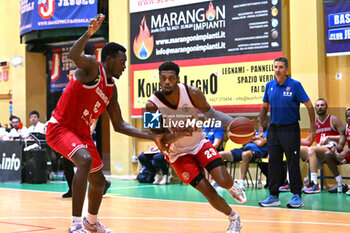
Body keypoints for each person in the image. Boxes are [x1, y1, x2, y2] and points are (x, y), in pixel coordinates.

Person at [46, 14, 165, 233]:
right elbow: (73, 54)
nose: (124, 66)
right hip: (60, 128)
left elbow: (119, 125)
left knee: (99, 181)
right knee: (84, 160)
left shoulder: (112, 89)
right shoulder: (92, 66)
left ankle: (91, 222)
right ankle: (75, 225)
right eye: (122, 62)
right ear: (109, 60)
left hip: (81, 135)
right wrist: (89, 33)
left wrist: (152, 136)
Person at [146, 61, 246, 233]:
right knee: (208, 191)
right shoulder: (151, 105)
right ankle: (234, 218)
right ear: (159, 80)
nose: (167, 82)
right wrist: (180, 133)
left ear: (177, 79)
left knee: (223, 180)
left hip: (199, 143)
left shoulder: (192, 93)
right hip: (177, 154)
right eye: (163, 79)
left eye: (171, 78)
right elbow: (158, 138)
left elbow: (212, 114)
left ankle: (231, 185)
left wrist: (232, 123)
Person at [258, 57, 315, 208]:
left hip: (290, 129)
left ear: (286, 69)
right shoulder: (270, 85)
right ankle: (273, 196)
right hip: (273, 130)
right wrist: (260, 127)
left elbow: (309, 106)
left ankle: (297, 195)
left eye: (281, 67)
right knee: (274, 163)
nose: (277, 70)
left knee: (292, 163)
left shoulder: (295, 85)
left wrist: (312, 127)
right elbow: (264, 107)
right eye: (275, 67)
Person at [299, 99, 345, 194]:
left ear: (326, 107)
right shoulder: (315, 122)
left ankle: (314, 184)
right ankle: (290, 181)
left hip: (332, 149)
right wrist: (293, 140)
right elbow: (309, 140)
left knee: (312, 149)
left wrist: (329, 137)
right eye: (318, 105)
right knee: (296, 149)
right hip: (319, 150)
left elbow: (343, 135)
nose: (320, 107)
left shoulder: (333, 119)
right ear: (315, 108)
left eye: (322, 105)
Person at [219, 118, 268, 191]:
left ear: (267, 121)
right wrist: (255, 138)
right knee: (220, 154)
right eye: (258, 121)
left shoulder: (269, 132)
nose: (260, 123)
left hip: (257, 152)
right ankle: (222, 181)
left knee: (245, 154)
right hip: (244, 149)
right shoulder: (253, 132)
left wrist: (251, 139)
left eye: (262, 121)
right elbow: (243, 143)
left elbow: (260, 143)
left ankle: (242, 182)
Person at [326, 108, 350, 194]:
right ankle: (340, 183)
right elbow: (340, 145)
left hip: (348, 152)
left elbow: (345, 150)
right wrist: (334, 148)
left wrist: (346, 151)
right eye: (347, 116)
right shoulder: (344, 128)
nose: (349, 118)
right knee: (328, 154)